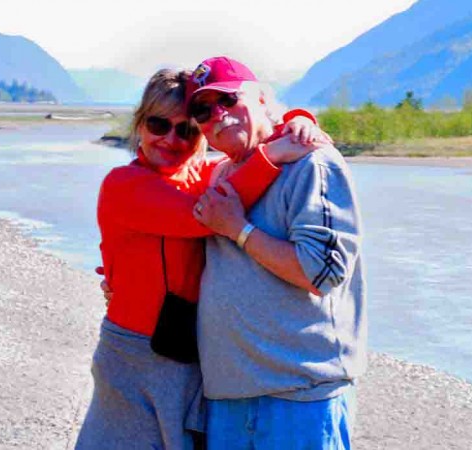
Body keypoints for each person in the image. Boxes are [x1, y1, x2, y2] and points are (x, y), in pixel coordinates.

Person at [76, 68, 328, 450]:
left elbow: (255, 134)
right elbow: (202, 216)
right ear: (140, 125)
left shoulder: (206, 175)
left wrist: (298, 120)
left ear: (201, 136)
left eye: (186, 130)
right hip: (133, 356)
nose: (171, 139)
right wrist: (275, 154)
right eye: (159, 124)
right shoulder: (122, 184)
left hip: (196, 356)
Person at [186, 56, 367, 449]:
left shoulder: (311, 162)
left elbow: (323, 272)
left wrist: (240, 230)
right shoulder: (217, 175)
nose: (218, 115)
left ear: (262, 99)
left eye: (228, 99)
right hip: (228, 399)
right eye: (203, 110)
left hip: (300, 393)